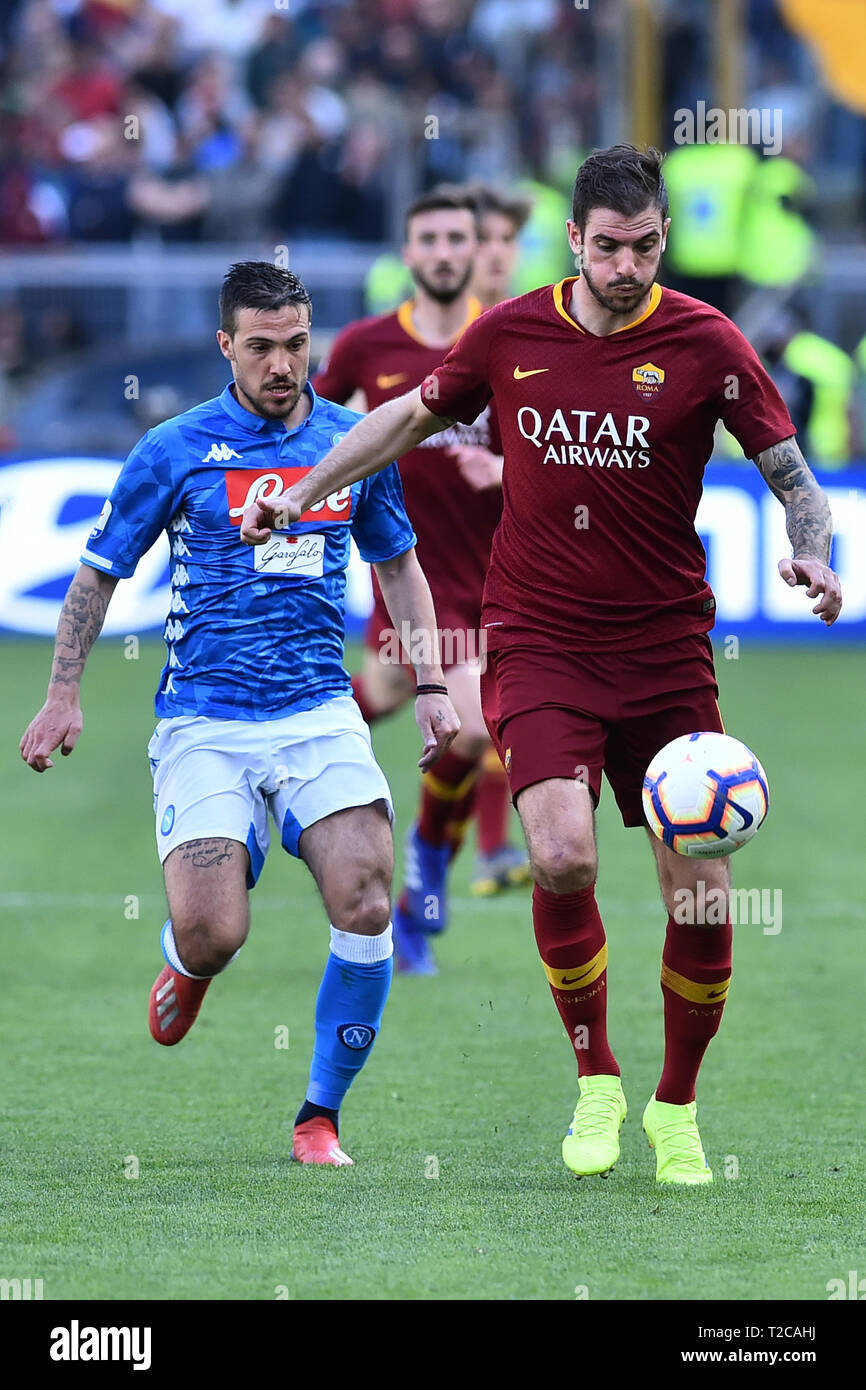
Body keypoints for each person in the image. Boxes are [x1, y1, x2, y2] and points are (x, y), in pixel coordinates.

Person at [240, 147, 843, 1186]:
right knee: (560, 855)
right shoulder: (512, 330)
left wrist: (816, 551)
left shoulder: (704, 341)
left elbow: (788, 472)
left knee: (696, 892)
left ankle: (676, 1107)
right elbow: (401, 418)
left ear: (661, 236)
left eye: (644, 245)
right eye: (607, 247)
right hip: (539, 637)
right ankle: (596, 1080)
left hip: (663, 651)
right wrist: (301, 491)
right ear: (573, 239)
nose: (625, 265)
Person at [20, 261, 459, 1168]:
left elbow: (400, 568)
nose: (281, 364)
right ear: (227, 345)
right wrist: (63, 693)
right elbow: (99, 571)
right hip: (204, 721)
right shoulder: (175, 448)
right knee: (217, 930)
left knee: (369, 895)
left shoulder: (354, 444)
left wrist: (431, 686)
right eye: (260, 347)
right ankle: (189, 957)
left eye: (296, 345)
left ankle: (318, 1118)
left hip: (316, 711)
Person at [312, 185, 526, 977]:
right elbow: (309, 432)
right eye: (427, 238)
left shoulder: (509, 342)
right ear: (408, 253)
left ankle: (419, 894)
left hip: (494, 583)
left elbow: (552, 456)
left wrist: (499, 466)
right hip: (406, 579)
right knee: (412, 703)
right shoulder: (369, 347)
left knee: (463, 728)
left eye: (456, 239)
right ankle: (414, 897)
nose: (442, 252)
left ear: (478, 253)